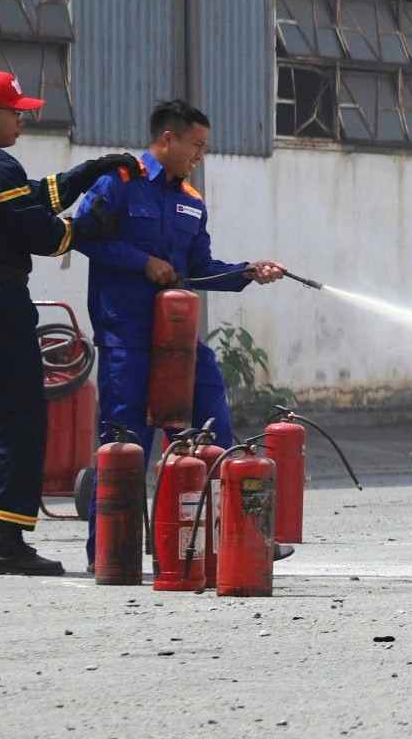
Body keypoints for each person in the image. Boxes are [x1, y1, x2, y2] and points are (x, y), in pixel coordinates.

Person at [0, 71, 131, 575]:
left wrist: (89, 171)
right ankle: (8, 543)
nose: (22, 120)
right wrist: (87, 227)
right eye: (16, 112)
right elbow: (40, 233)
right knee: (18, 420)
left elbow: (31, 197)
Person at [73, 100, 285, 565]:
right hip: (126, 335)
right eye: (196, 145)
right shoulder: (118, 182)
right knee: (125, 440)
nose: (200, 155)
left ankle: (237, 542)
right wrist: (142, 262)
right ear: (167, 139)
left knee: (212, 429)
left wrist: (247, 272)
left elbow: (200, 268)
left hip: (179, 340)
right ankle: (107, 551)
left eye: (205, 147)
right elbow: (83, 236)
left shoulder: (191, 201)